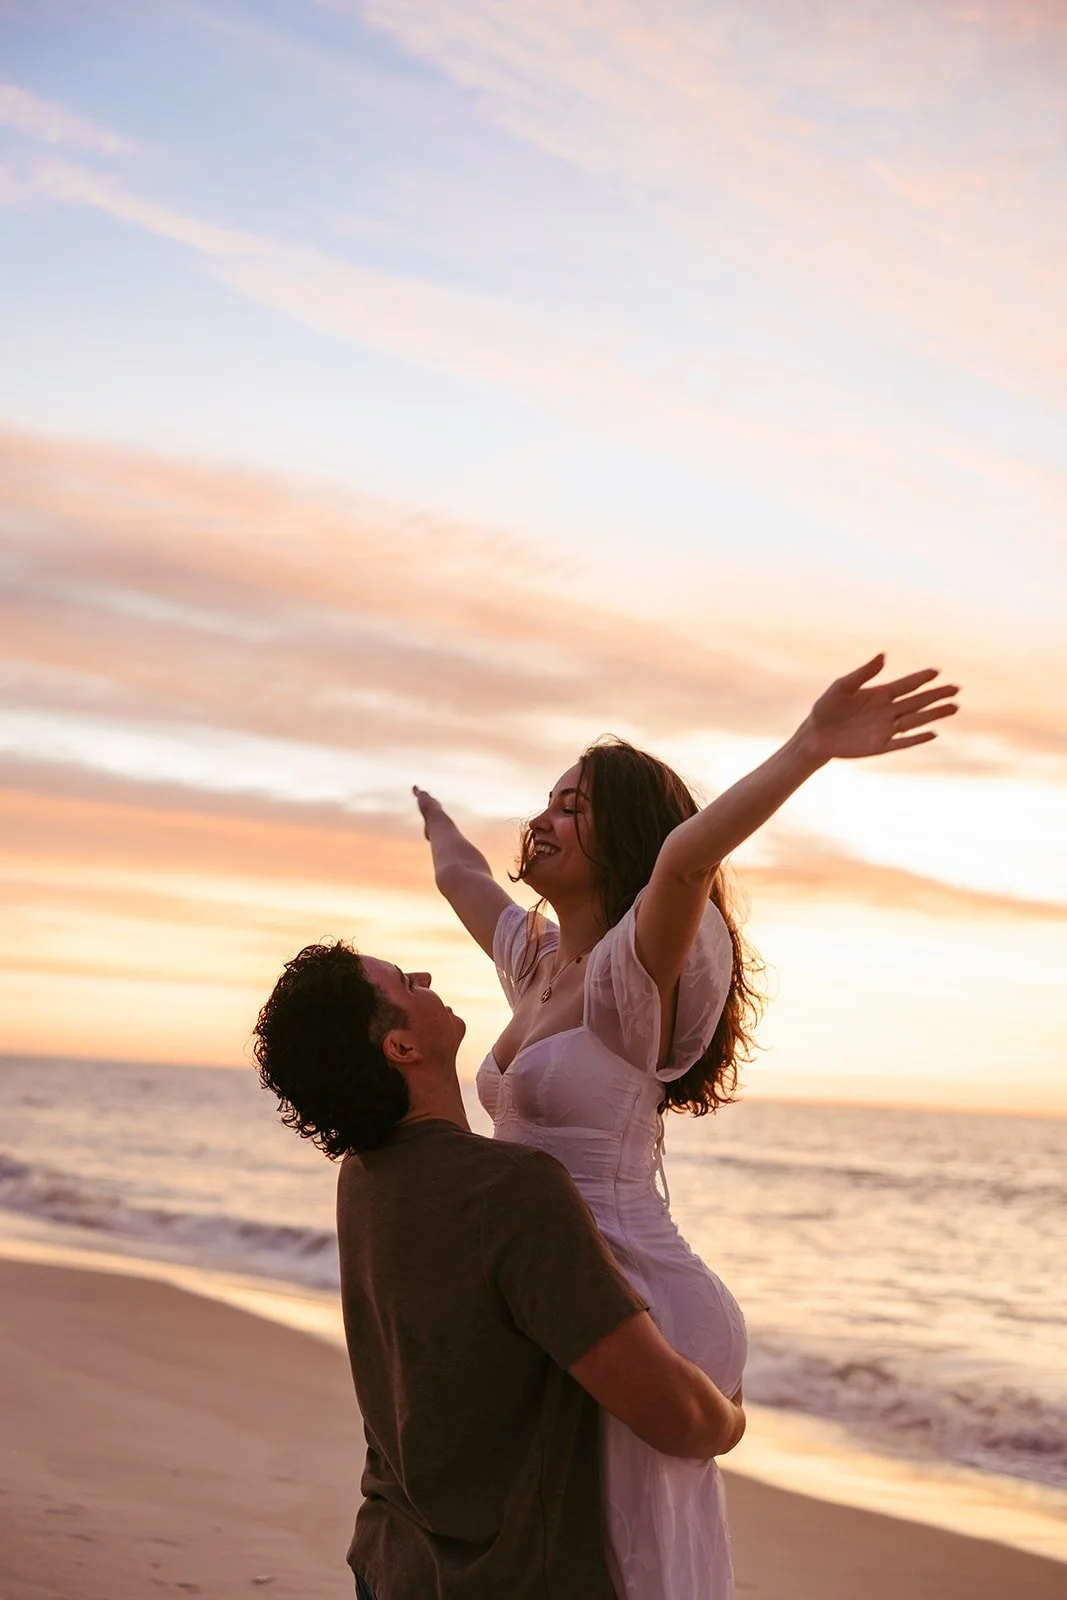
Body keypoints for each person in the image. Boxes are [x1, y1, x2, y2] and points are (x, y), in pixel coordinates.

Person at [415, 653, 959, 1600]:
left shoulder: (632, 979)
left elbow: (686, 857)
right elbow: (461, 875)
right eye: (544, 800)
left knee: (626, 1565)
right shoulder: (536, 967)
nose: (542, 819)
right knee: (566, 1546)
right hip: (558, 1289)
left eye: (572, 806)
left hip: (643, 1299)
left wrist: (811, 747)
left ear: (620, 834)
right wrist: (430, 816)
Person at [252, 941, 746, 1600]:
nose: (423, 977)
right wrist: (732, 1414)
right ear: (400, 1047)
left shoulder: (365, 1176)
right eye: (404, 981)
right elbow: (669, 1416)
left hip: (390, 1563)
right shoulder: (507, 1191)